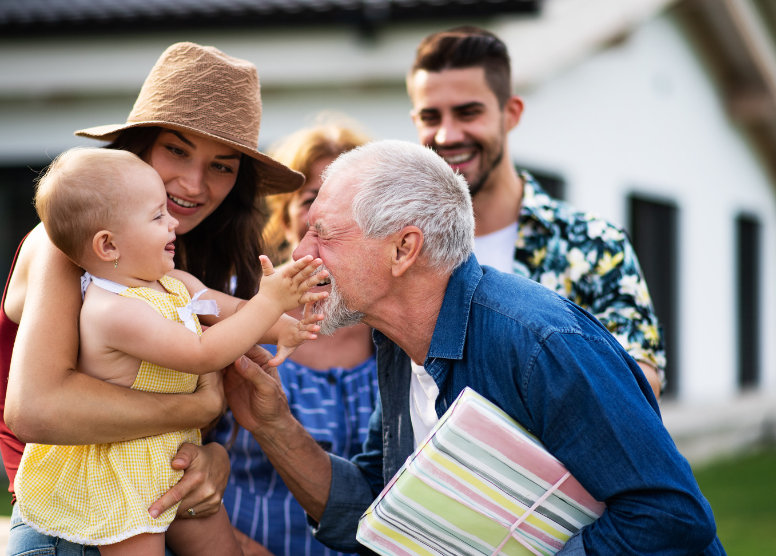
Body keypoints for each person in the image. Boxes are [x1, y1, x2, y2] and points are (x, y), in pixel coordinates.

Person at [223, 140, 726, 555]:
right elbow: (378, 508)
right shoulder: (396, 343)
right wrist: (273, 426)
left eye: (323, 234)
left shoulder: (539, 345)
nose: (302, 252)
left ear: (404, 249)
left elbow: (671, 516)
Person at [1, 42, 303, 555]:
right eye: (177, 150)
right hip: (73, 525)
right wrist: (199, 402)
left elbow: (197, 413)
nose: (192, 183)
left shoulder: (178, 261)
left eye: (222, 167)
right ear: (137, 147)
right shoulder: (67, 247)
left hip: (155, 501)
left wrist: (214, 460)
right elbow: (34, 410)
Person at [406, 27, 665, 399]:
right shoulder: (402, 251)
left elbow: (639, 387)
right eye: (431, 117)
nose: (447, 135)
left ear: (510, 114)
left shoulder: (594, 245)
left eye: (468, 112)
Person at [211, 121, 378, 556]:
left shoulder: (394, 338)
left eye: (350, 205)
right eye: (312, 203)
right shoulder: (233, 317)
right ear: (286, 220)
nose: (328, 219)